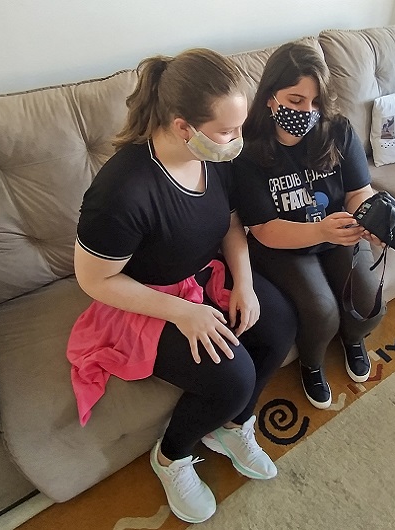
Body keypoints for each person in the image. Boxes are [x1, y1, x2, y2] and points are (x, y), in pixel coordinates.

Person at [66, 49, 296, 524]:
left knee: (279, 326)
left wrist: (245, 283)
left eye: (239, 127)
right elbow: (94, 278)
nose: (238, 141)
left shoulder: (214, 156)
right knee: (233, 378)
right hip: (145, 301)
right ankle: (171, 456)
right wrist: (183, 313)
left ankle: (232, 426)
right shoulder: (122, 191)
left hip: (202, 275)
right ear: (182, 127)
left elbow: (230, 222)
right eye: (227, 131)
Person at [232, 42, 385, 410]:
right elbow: (264, 228)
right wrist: (320, 231)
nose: (307, 112)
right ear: (271, 97)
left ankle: (353, 338)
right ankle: (312, 363)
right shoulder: (248, 150)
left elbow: (358, 191)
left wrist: (371, 218)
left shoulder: (337, 129)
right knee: (321, 311)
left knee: (368, 304)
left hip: (337, 231)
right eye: (296, 100)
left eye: (316, 102)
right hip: (283, 242)